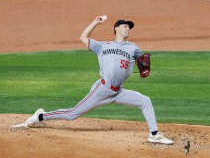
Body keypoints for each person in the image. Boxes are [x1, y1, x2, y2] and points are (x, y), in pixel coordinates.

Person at [21, 16, 173, 145]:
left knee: (145, 100)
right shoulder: (102, 46)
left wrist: (144, 67)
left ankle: (154, 135)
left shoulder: (132, 47)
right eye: (125, 26)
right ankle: (40, 116)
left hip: (118, 91)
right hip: (102, 90)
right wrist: (95, 22)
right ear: (117, 29)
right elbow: (82, 38)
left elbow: (142, 61)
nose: (128, 29)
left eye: (129, 27)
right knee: (72, 114)